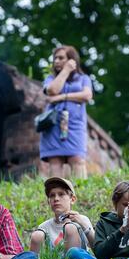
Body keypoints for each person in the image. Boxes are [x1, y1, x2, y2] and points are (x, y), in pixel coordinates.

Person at [40, 45, 93, 180]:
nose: (56, 61)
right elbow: (52, 90)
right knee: (55, 162)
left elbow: (87, 96)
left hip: (75, 125)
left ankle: (81, 194)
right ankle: (55, 193)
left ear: (71, 59)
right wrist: (66, 70)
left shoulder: (83, 78)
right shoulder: (50, 79)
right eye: (55, 58)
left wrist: (62, 97)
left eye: (61, 58)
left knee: (77, 160)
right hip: (53, 125)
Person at [30, 177, 95, 254]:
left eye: (61, 194)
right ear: (49, 202)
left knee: (70, 227)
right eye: (52, 195)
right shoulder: (44, 227)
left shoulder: (82, 219)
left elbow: (96, 248)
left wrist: (84, 225)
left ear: (73, 199)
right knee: (37, 235)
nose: (56, 199)